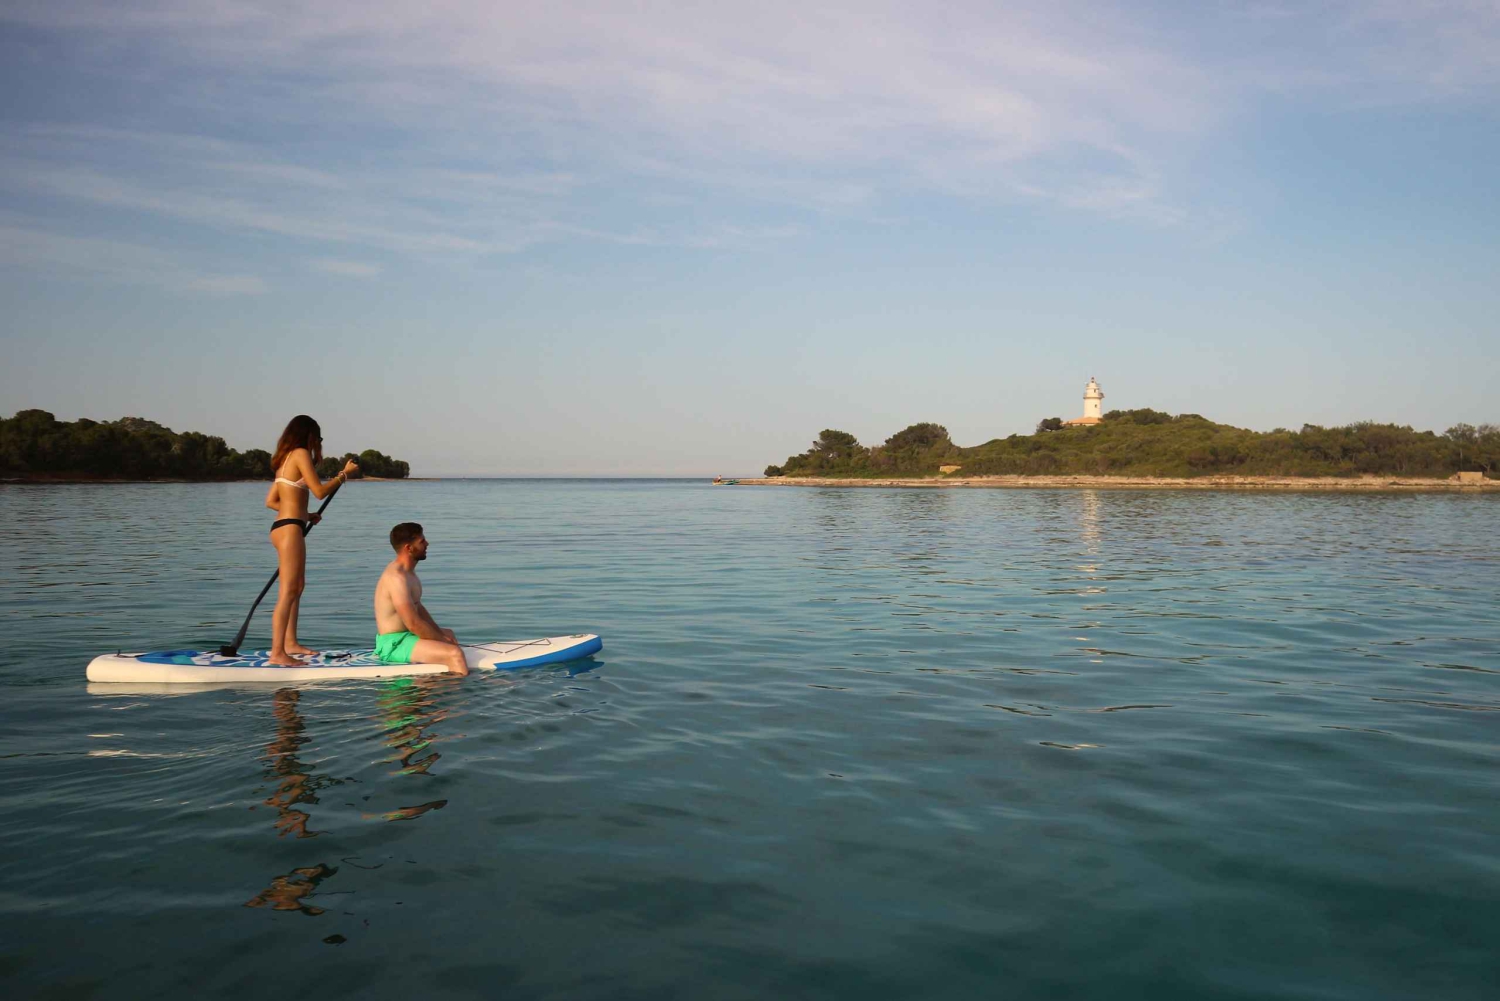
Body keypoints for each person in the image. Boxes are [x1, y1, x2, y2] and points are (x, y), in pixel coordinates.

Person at [264, 415, 358, 666]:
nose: (318, 442)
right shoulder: (300, 454)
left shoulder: (284, 459)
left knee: (297, 587)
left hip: (284, 526)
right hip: (289, 530)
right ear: (309, 435)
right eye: (318, 437)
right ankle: (277, 653)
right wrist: (344, 474)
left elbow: (271, 501)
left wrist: (305, 516)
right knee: (288, 591)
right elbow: (319, 492)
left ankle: (290, 643)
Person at [372, 523, 469, 676]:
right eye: (422, 541)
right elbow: (413, 623)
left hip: (406, 637)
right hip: (394, 644)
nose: (427, 543)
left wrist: (440, 633)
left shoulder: (408, 573)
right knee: (454, 654)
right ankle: (458, 689)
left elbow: (418, 608)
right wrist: (442, 640)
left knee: (449, 633)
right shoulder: (397, 578)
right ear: (409, 548)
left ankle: (437, 676)